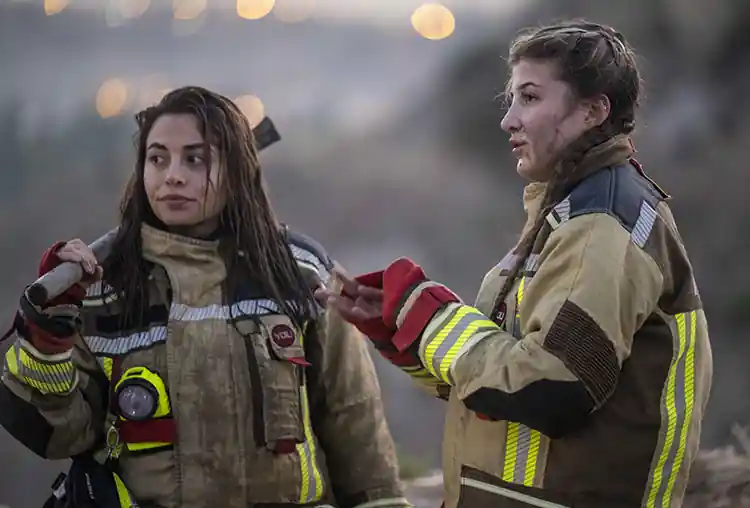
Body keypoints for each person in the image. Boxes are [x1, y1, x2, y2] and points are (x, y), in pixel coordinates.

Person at [319, 20, 713, 508]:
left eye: (529, 97)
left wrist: (429, 320)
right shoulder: (571, 215)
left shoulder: (599, 228)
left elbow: (551, 387)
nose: (508, 119)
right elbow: (496, 384)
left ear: (593, 110)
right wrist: (404, 330)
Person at [0, 86, 411, 508]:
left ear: (236, 171)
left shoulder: (299, 274)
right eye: (157, 158)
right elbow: (59, 434)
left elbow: (352, 419)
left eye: (195, 159)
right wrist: (47, 340)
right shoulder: (103, 289)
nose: (173, 175)